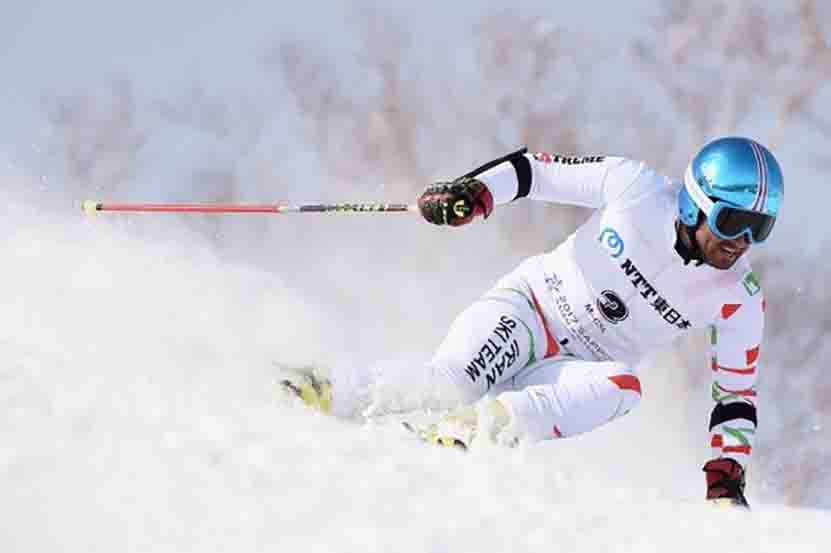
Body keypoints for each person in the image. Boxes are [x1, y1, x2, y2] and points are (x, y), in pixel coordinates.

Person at [282, 136, 783, 508]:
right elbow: (533, 171)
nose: (741, 241)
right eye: (730, 221)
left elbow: (736, 396)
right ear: (695, 201)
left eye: (758, 228)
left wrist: (726, 476)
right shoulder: (636, 188)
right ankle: (322, 389)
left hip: (573, 367)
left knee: (624, 388)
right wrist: (476, 193)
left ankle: (469, 433)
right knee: (450, 382)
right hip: (530, 309)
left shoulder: (738, 297)